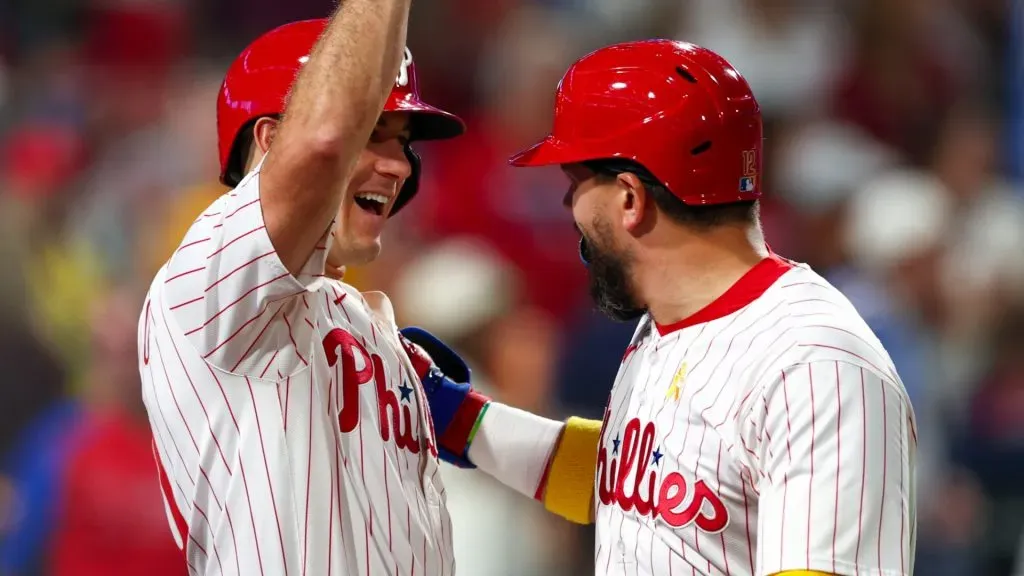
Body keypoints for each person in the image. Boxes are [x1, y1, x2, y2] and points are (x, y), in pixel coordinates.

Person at [401, 39, 917, 576]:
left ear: (630, 197)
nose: (566, 206)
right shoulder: (666, 323)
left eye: (575, 183)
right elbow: (636, 481)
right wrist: (459, 418)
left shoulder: (815, 365)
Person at [137, 6, 465, 575]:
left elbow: (546, 460)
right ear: (270, 144)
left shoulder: (368, 322)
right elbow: (322, 139)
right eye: (374, 133)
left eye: (403, 142)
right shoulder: (210, 278)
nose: (401, 166)